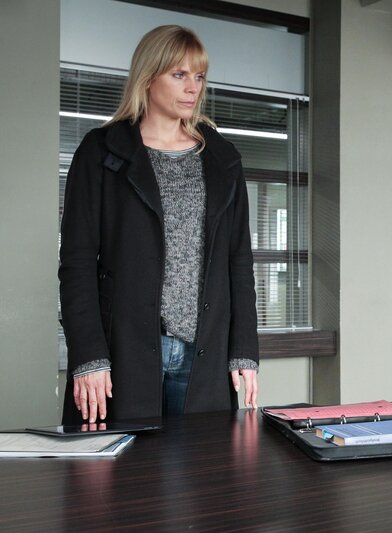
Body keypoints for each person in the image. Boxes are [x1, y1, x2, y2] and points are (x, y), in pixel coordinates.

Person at [59, 25, 259, 425]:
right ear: (148, 77)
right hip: (123, 353)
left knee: (201, 464)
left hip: (204, 354)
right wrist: (89, 357)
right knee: (123, 464)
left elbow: (239, 262)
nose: (193, 87)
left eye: (199, 76)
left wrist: (244, 351)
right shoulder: (100, 153)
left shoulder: (222, 159)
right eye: (179, 74)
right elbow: (77, 264)